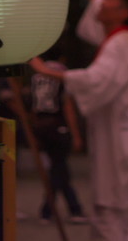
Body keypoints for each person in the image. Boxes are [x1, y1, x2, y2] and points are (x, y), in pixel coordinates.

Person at [29, 0, 128, 241]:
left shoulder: (121, 46)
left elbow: (96, 79)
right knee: (109, 211)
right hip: (111, 132)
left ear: (123, 13)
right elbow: (98, 3)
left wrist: (48, 73)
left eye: (113, 1)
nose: (104, 2)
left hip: (114, 136)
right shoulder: (118, 38)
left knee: (108, 211)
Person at [29, 47, 88, 225]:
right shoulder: (61, 74)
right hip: (58, 125)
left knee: (58, 168)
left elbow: (33, 103)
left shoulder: (36, 77)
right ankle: (54, 209)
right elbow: (67, 105)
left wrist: (33, 129)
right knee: (59, 168)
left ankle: (66, 208)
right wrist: (76, 134)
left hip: (41, 124)